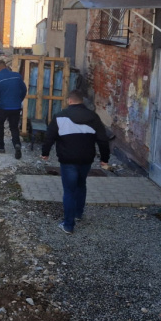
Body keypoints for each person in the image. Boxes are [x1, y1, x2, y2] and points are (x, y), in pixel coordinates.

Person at [41, 89, 110, 234]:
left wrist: (45, 153)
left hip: (68, 160)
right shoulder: (93, 117)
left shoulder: (60, 117)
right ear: (82, 101)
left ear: (69, 101)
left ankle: (68, 225)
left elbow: (49, 137)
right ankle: (78, 213)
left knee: (69, 191)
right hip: (86, 159)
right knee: (81, 184)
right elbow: (103, 140)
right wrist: (104, 159)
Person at [0, 59, 27, 159]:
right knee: (14, 127)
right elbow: (24, 89)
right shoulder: (17, 76)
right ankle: (17, 145)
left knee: (0, 125)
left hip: (3, 107)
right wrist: (19, 99)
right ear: (6, 66)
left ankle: (1, 146)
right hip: (16, 107)